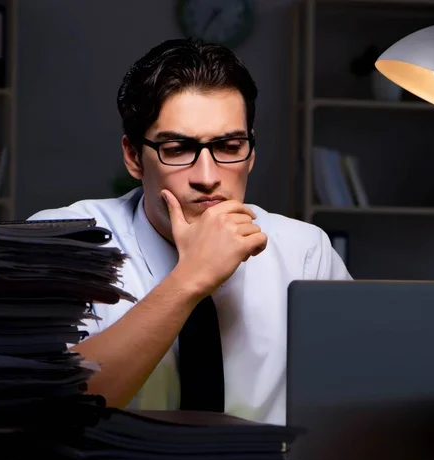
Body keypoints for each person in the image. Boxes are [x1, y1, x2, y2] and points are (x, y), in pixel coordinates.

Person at [28, 37, 352, 425]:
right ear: (133, 156)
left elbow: (355, 403)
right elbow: (48, 409)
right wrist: (190, 279)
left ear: (251, 152)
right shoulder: (64, 243)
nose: (207, 177)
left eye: (230, 146)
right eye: (178, 149)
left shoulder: (305, 252)